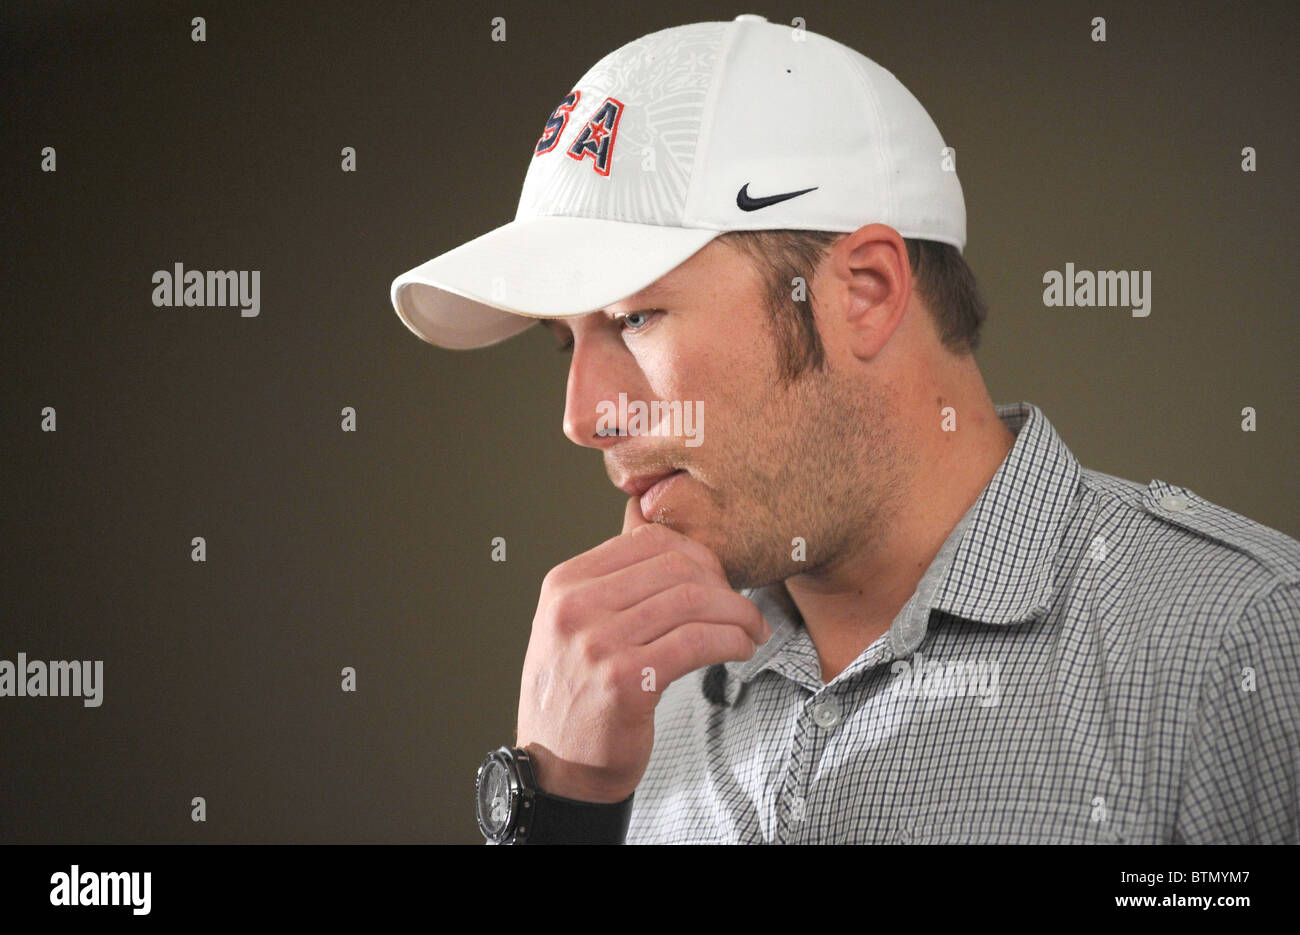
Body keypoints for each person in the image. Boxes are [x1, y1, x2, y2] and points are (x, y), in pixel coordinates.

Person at [390, 16, 1300, 844]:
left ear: (864, 293)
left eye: (635, 318)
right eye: (565, 344)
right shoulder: (636, 700)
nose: (583, 416)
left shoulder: (1241, 642)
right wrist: (559, 811)